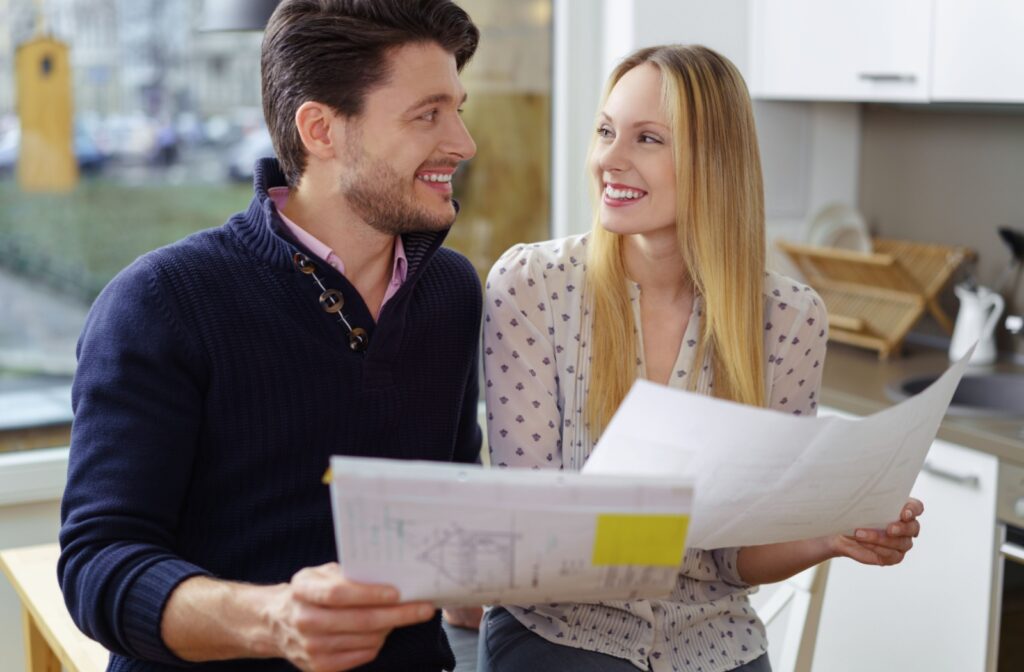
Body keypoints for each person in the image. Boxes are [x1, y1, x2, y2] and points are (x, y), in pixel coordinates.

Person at [58, 1, 484, 670]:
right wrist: (273, 620)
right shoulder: (159, 304)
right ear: (321, 129)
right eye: (427, 115)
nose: (463, 142)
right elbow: (99, 566)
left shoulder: (453, 292)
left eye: (458, 109)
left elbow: (452, 497)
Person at [479, 44, 924, 672]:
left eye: (647, 138)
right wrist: (676, 525)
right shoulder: (531, 287)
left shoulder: (790, 320)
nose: (609, 158)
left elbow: (736, 560)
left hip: (719, 645)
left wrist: (831, 534)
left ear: (714, 162)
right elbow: (531, 551)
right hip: (564, 636)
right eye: (606, 131)